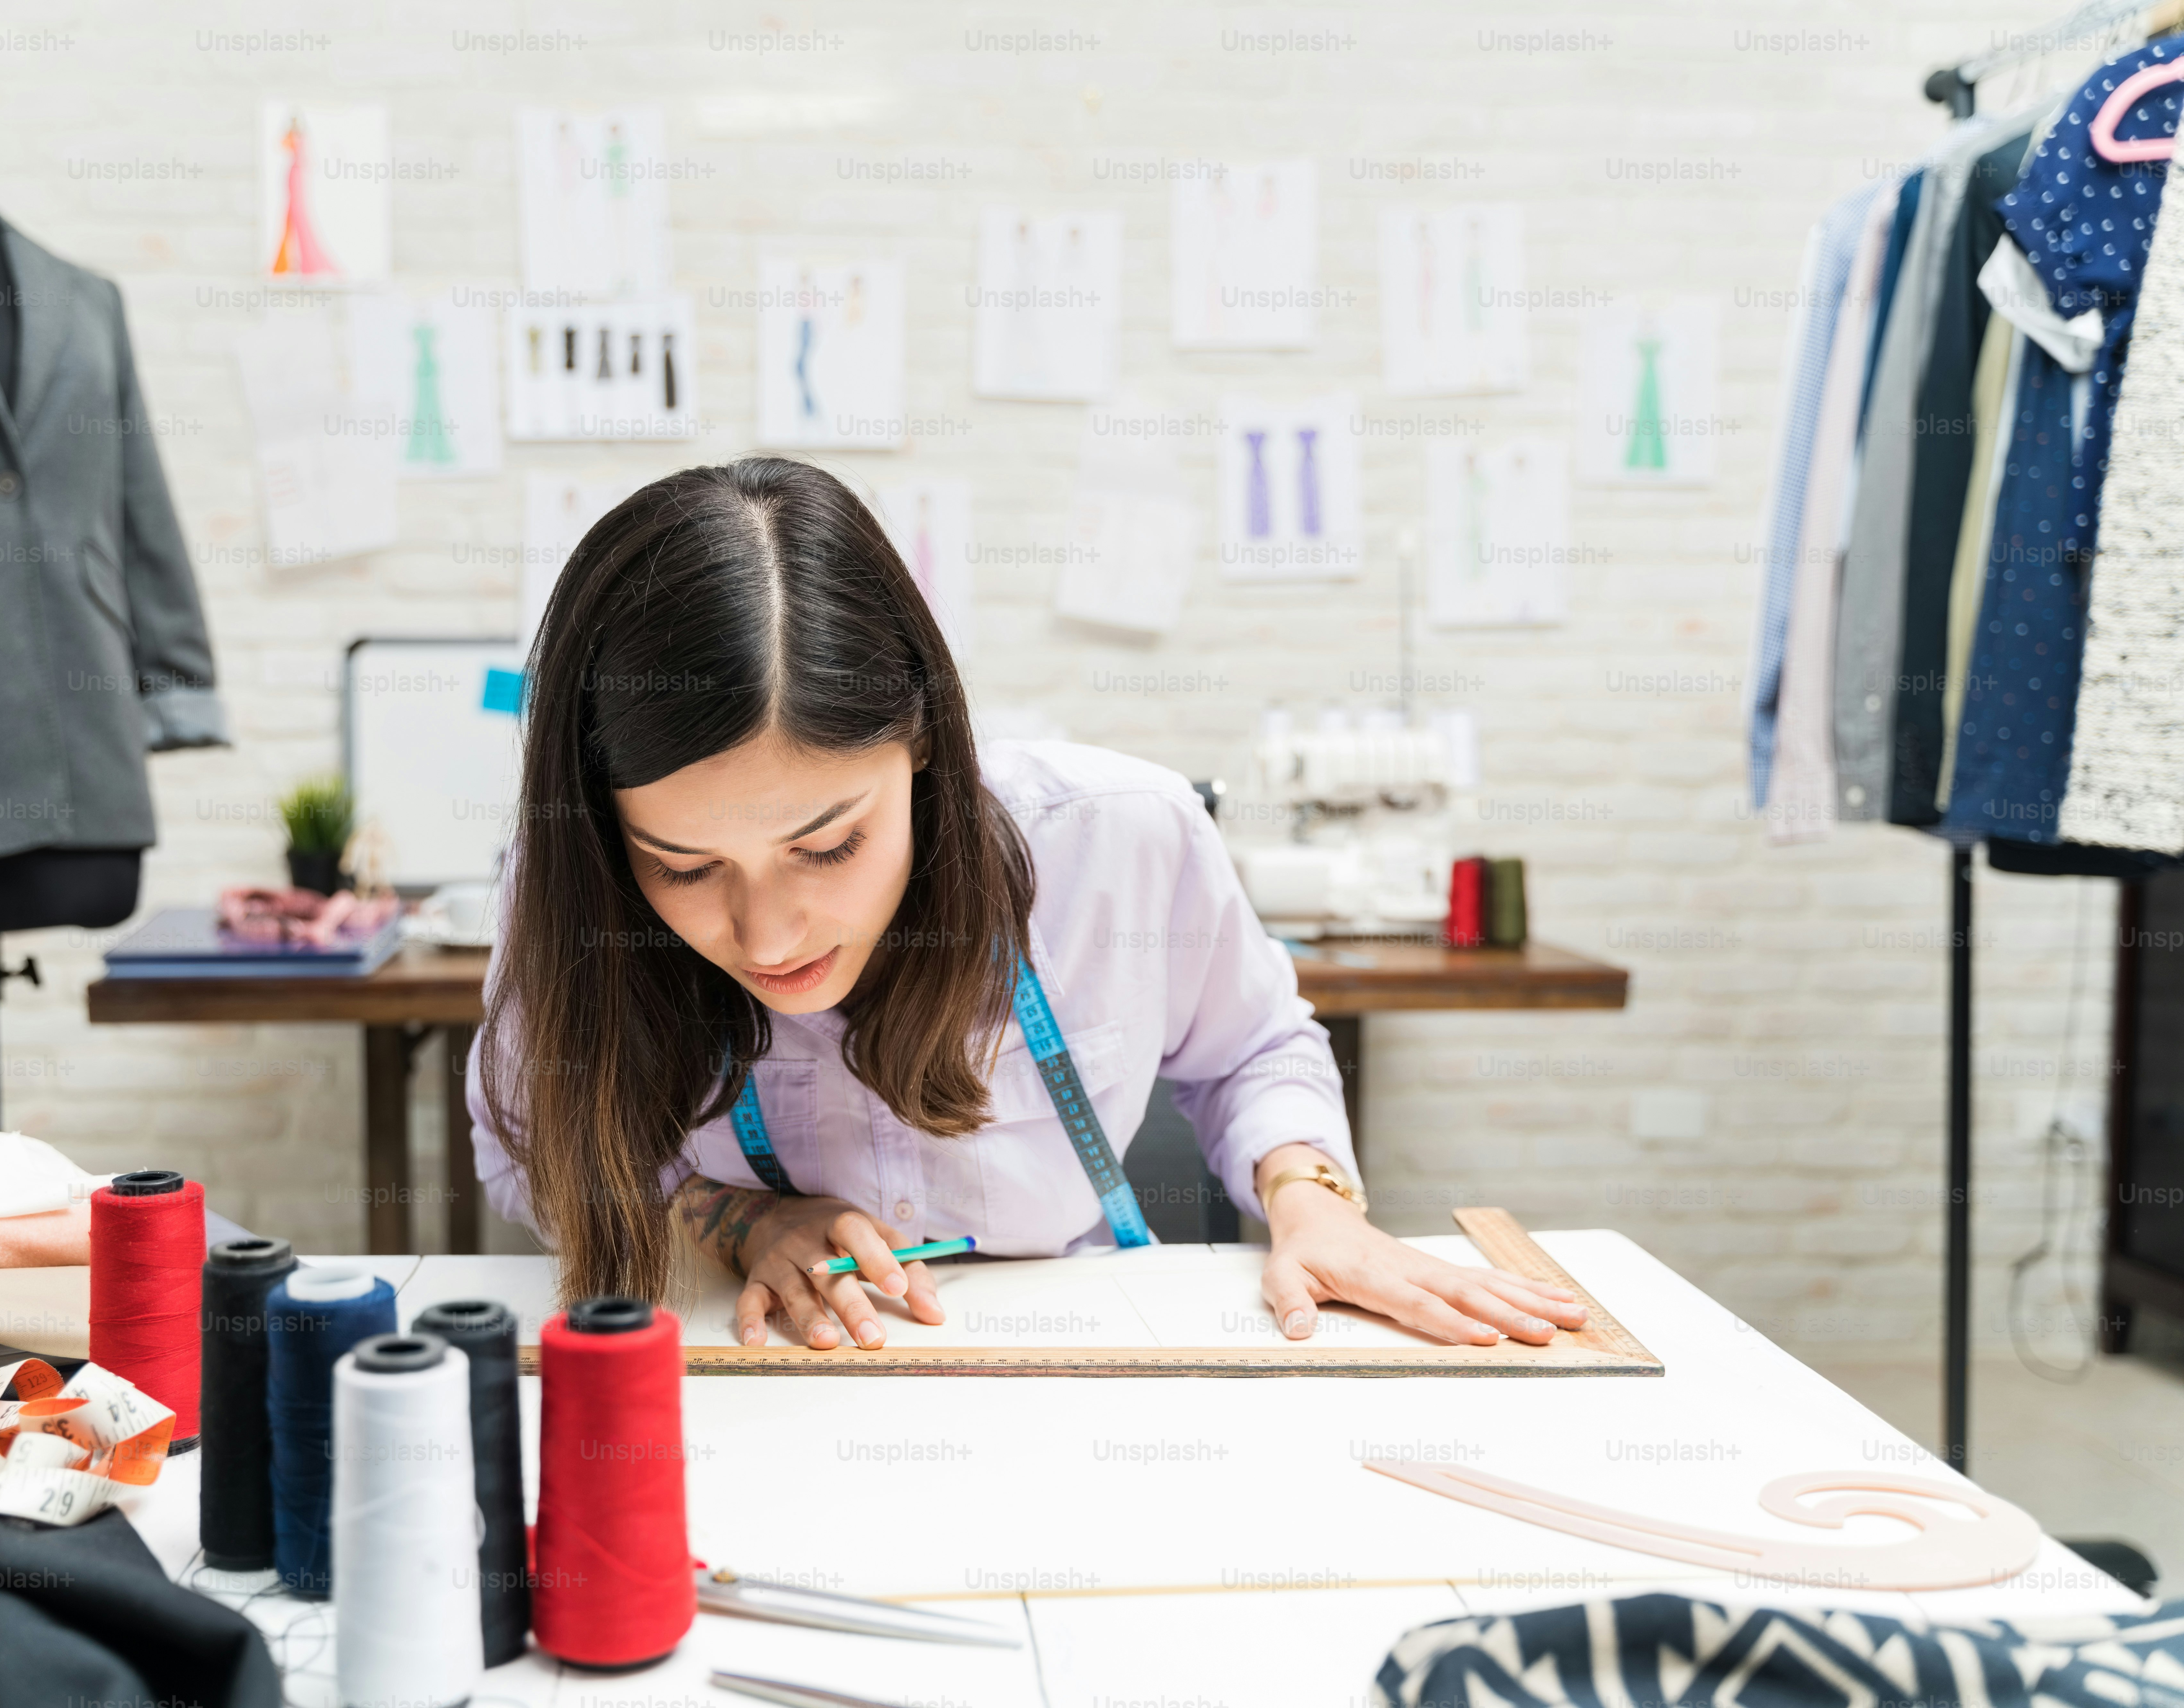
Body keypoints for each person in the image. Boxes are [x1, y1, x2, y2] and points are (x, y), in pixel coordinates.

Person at [471, 457, 1584, 1352]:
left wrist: (1311, 1203)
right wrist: (736, 1217)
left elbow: (1252, 1050)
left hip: (1073, 1377)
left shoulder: (1121, 841)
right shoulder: (570, 888)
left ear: (923, 748)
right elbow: (528, 1146)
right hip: (750, 1375)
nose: (765, 934)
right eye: (684, 867)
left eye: (828, 846)